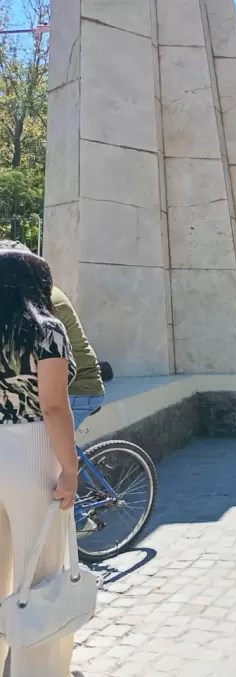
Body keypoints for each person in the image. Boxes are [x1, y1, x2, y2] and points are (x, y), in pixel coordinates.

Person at [0, 248, 80, 676]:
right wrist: (70, 469)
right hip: (32, 450)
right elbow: (53, 407)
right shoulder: (45, 330)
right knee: (40, 579)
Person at [0, 241, 105, 430]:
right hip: (44, 384)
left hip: (77, 388)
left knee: (41, 446)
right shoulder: (19, 297)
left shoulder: (40, 304)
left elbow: (53, 406)